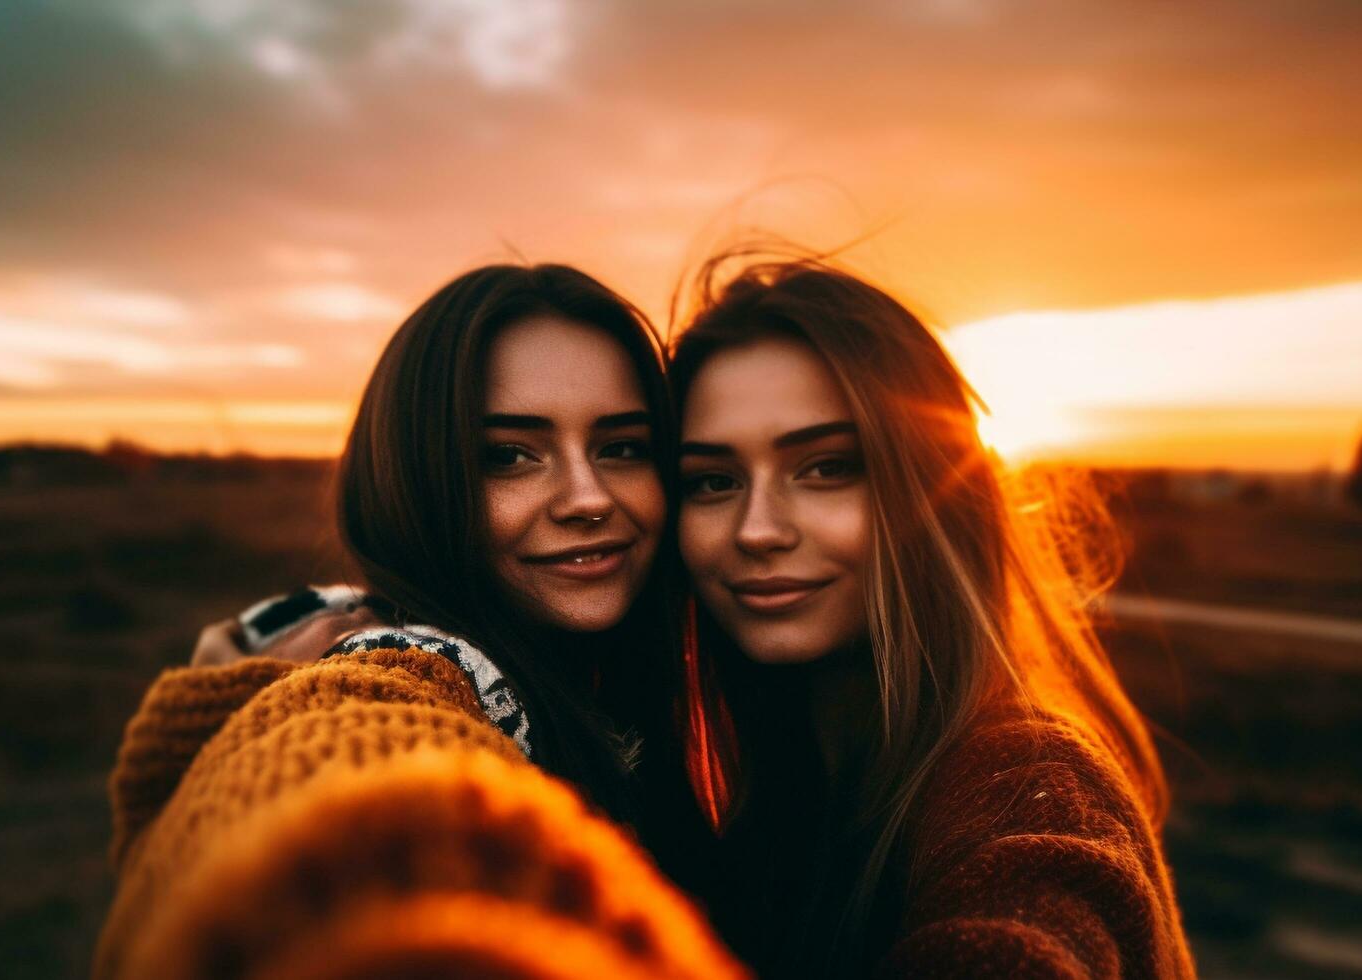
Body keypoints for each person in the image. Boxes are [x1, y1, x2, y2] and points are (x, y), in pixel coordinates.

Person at [94, 264, 739, 979]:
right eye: (508, 456)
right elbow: (355, 777)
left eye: (621, 447)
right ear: (413, 478)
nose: (587, 498)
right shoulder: (394, 668)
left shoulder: (630, 679)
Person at [670, 256, 1195, 978]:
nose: (756, 529)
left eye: (825, 467)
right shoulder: (767, 788)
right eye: (712, 481)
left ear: (933, 497)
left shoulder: (1025, 783)